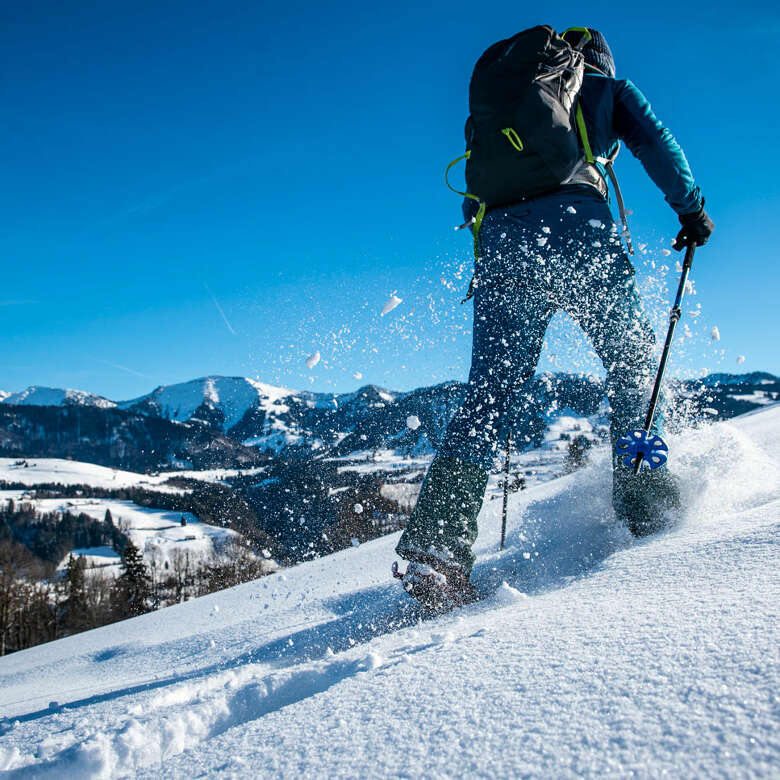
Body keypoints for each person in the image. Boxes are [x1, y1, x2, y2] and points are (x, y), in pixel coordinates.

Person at [394, 27, 714, 610]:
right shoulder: (605, 88)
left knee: (489, 393)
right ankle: (646, 506)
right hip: (579, 232)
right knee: (631, 366)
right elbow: (656, 142)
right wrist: (691, 209)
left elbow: (476, 192)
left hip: (502, 243)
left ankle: (438, 553)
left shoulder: (509, 104)